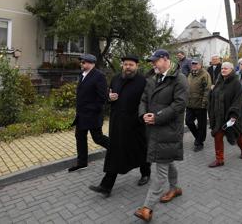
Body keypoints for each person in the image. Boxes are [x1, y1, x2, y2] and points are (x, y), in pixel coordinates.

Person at [134, 49, 188, 222]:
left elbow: (179, 105)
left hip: (169, 129)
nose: (153, 64)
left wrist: (157, 117)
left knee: (161, 171)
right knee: (167, 159)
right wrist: (144, 114)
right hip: (153, 128)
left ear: (165, 59)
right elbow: (143, 99)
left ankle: (147, 207)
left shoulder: (179, 78)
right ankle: (175, 188)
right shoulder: (153, 78)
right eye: (152, 62)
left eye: (155, 61)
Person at [89, 55, 150, 197]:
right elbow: (108, 95)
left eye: (131, 64)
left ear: (137, 66)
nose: (128, 67)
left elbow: (147, 102)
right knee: (115, 152)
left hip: (136, 124)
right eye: (125, 64)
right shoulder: (116, 78)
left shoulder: (143, 82)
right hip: (117, 123)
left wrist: (144, 117)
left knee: (141, 150)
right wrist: (109, 98)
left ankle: (146, 173)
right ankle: (106, 186)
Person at [69, 54, 109, 172]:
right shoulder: (82, 75)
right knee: (80, 136)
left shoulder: (99, 76)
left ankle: (117, 150)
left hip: (92, 115)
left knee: (98, 138)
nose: (81, 64)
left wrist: (91, 110)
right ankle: (82, 163)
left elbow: (102, 98)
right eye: (81, 62)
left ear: (91, 64)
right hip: (81, 115)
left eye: (84, 62)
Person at [208, 62, 242, 167]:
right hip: (218, 116)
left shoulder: (236, 83)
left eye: (226, 68)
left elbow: (238, 100)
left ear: (231, 70)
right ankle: (219, 160)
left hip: (230, 116)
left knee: (238, 135)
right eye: (222, 69)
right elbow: (213, 96)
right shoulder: (219, 81)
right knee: (217, 136)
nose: (223, 70)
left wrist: (233, 115)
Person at [185, 57, 212, 152]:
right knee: (188, 121)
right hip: (190, 104)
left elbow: (207, 89)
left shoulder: (205, 75)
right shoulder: (190, 74)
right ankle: (198, 137)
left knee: (201, 125)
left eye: (196, 64)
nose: (194, 65)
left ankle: (199, 143)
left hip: (200, 104)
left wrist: (204, 103)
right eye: (192, 64)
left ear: (200, 65)